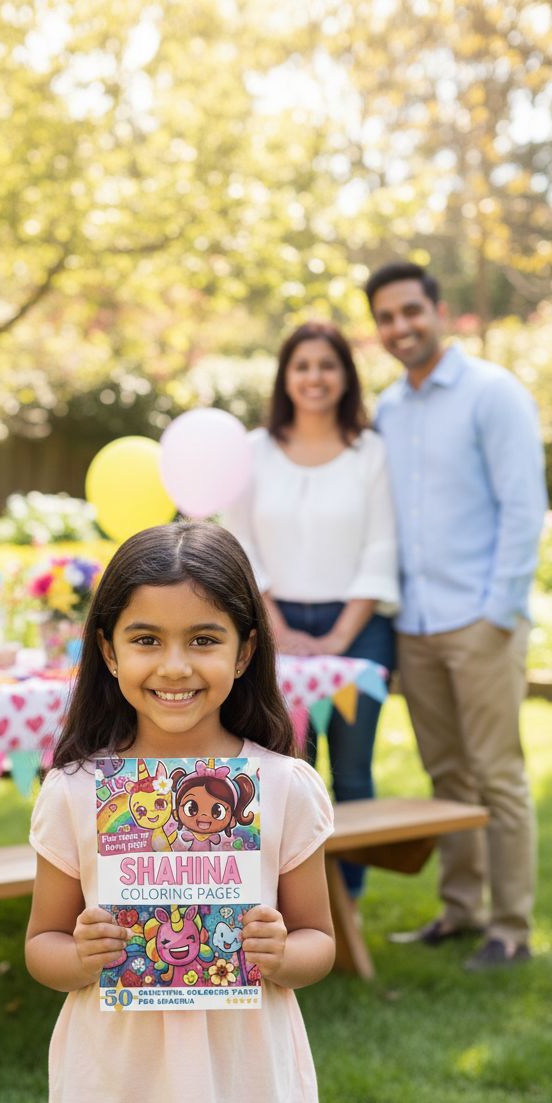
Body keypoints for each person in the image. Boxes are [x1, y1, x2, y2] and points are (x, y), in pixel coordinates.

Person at [25, 521, 335, 1103]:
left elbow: (320, 938)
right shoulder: (76, 791)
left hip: (243, 1099)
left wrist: (284, 952)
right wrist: (79, 955)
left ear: (246, 647)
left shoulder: (283, 786)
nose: (174, 666)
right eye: (145, 639)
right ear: (107, 649)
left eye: (203, 639)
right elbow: (41, 943)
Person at [364, 260, 547, 970]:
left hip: (480, 620)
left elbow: (523, 508)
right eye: (386, 317)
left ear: (438, 310)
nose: (401, 326)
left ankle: (512, 927)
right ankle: (462, 910)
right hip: (415, 624)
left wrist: (499, 612)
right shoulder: (387, 407)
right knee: (448, 775)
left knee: (498, 773)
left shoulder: (492, 394)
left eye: (411, 310)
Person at [222, 321, 399, 904]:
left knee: (351, 770)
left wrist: (341, 634)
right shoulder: (253, 451)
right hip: (271, 625)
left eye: (327, 365)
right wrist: (278, 627)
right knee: (286, 767)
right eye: (302, 366)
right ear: (285, 377)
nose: (315, 377)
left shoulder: (369, 451)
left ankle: (346, 902)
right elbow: (240, 542)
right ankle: (286, 902)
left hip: (361, 627)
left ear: (345, 375)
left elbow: (380, 544)